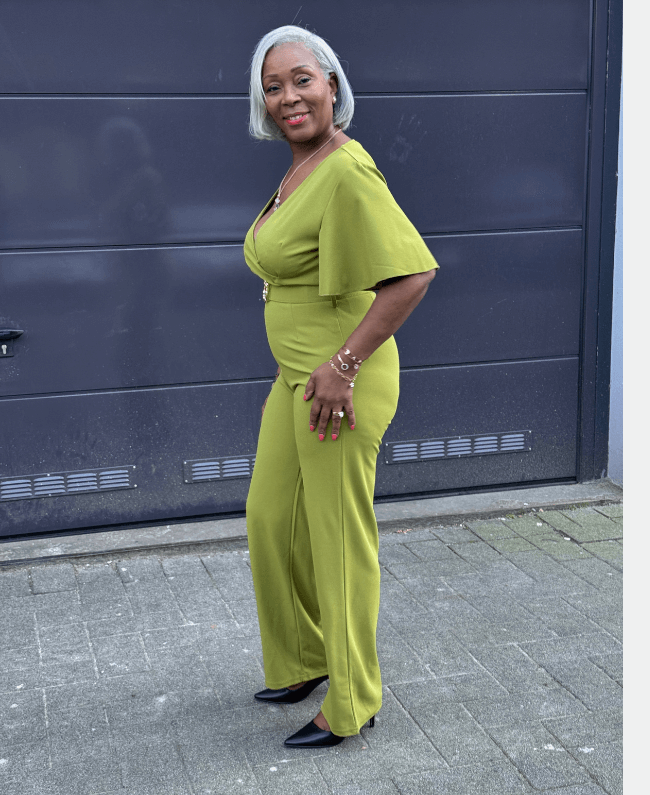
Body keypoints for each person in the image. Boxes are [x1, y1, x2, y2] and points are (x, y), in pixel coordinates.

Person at [243, 25, 439, 748]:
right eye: (273, 87)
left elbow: (412, 274)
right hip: (296, 377)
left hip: (339, 385)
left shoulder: (348, 169)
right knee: (271, 518)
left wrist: (342, 365)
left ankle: (353, 700)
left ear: (332, 84)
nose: (289, 97)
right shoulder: (300, 169)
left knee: (337, 538)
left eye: (302, 79)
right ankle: (304, 656)